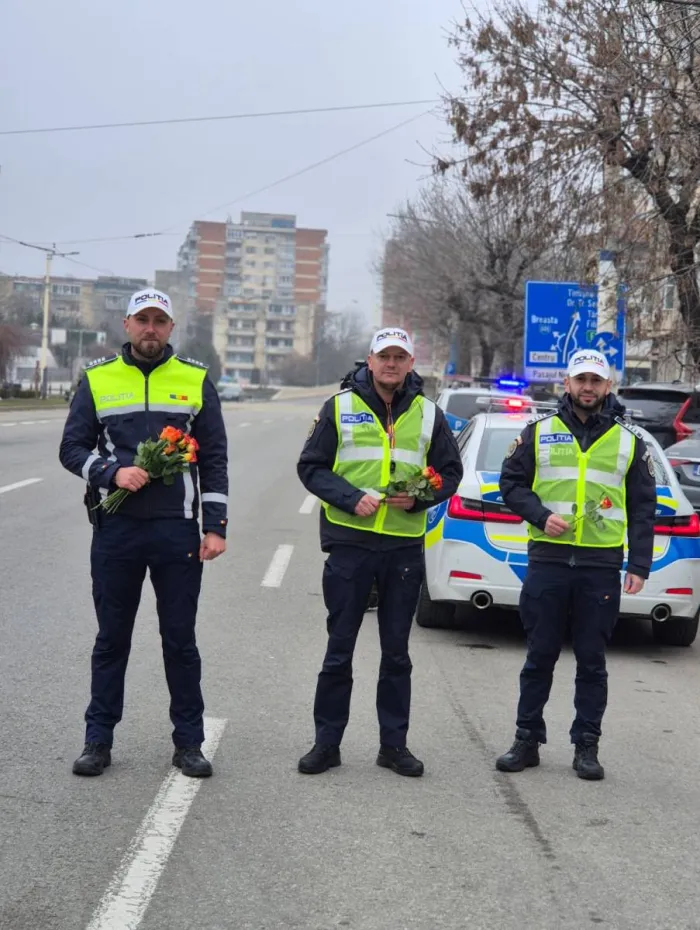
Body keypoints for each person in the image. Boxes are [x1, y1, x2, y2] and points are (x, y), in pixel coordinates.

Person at [59, 288, 228, 778]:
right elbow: (71, 449)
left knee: (180, 640)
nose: (150, 328)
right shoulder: (98, 379)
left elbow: (214, 458)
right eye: (142, 320)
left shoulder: (195, 379)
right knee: (112, 639)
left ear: (171, 327)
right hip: (117, 532)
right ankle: (98, 740)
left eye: (159, 320)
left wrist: (213, 527)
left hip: (177, 533)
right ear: (127, 325)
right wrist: (112, 473)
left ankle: (189, 743)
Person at [297, 327, 463, 777]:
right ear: (369, 361)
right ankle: (326, 744)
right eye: (383, 356)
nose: (391, 364)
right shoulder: (339, 407)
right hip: (351, 546)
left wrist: (421, 497)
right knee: (339, 652)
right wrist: (351, 497)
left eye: (400, 357)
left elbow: (450, 472)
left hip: (403, 549)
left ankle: (394, 747)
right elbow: (310, 467)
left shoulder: (429, 414)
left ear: (411, 364)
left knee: (396, 655)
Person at [496, 349, 656, 780]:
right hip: (547, 560)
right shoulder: (538, 432)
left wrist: (639, 564)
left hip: (600, 565)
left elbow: (644, 507)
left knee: (592, 660)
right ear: (566, 383)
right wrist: (538, 514)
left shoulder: (630, 441)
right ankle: (527, 740)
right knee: (539, 656)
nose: (588, 388)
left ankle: (586, 745)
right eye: (580, 380)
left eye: (596, 381)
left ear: (607, 387)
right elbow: (509, 483)